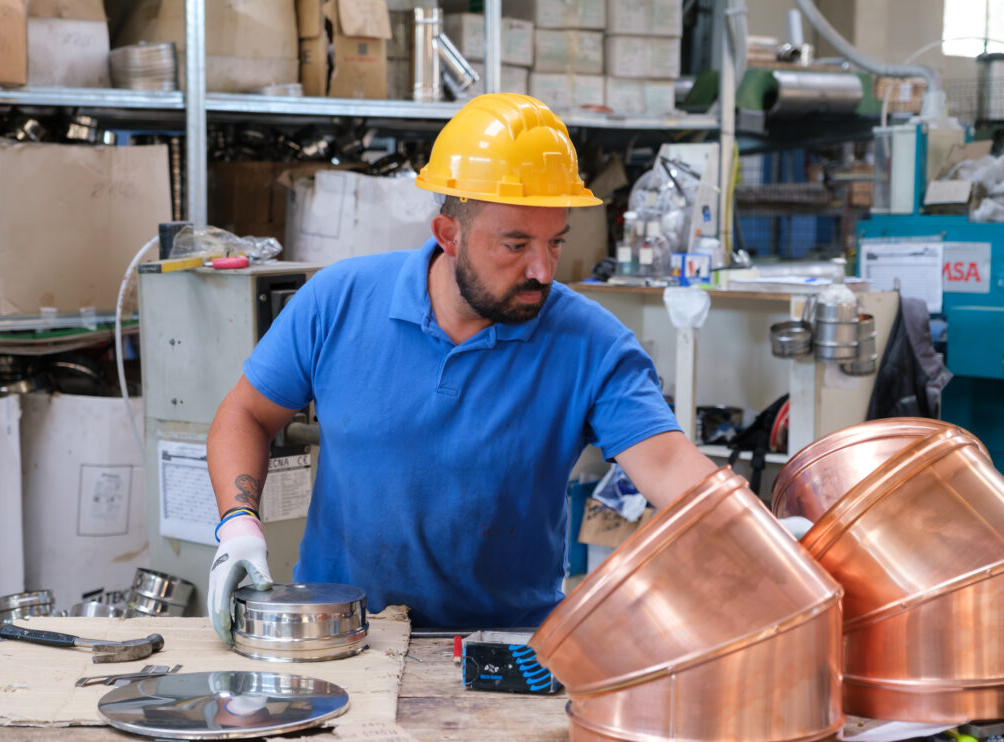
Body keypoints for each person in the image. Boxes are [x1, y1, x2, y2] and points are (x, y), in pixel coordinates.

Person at [206, 93, 718, 640]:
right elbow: (246, 414)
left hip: (507, 650)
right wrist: (238, 525)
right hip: (342, 635)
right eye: (515, 245)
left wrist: (766, 540)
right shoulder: (339, 300)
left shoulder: (592, 343)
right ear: (448, 235)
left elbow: (668, 465)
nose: (543, 271)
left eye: (555, 242)